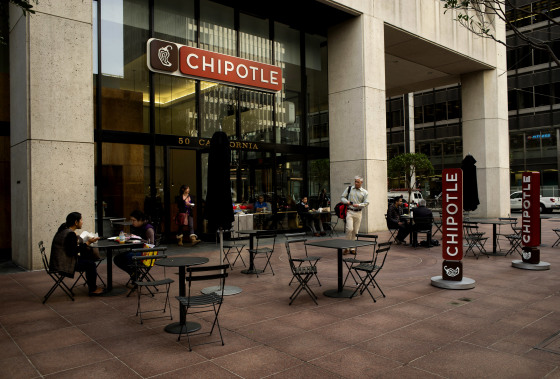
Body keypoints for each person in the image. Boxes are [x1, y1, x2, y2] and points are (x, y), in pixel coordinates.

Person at [50, 212, 105, 296]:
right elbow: (73, 251)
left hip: (57, 261)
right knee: (91, 264)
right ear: (76, 222)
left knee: (88, 260)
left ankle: (92, 286)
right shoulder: (70, 234)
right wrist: (88, 242)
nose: (82, 222)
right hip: (65, 264)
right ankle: (93, 289)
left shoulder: (64, 228)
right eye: (81, 220)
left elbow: (69, 246)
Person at [114, 210, 155, 280]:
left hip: (147, 253)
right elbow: (137, 237)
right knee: (117, 258)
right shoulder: (138, 227)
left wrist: (138, 239)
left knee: (125, 257)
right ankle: (133, 272)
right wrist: (130, 236)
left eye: (134, 220)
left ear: (140, 220)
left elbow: (151, 243)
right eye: (131, 220)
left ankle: (134, 273)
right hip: (138, 250)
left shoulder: (148, 229)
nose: (132, 222)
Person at [340, 176, 369, 254]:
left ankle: (352, 248)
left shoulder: (365, 192)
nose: (356, 183)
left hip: (358, 212)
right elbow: (342, 197)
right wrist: (347, 202)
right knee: (349, 229)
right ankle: (347, 247)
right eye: (355, 181)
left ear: (361, 183)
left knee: (355, 231)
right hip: (350, 211)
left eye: (357, 182)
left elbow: (366, 203)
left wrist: (359, 205)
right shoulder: (349, 189)